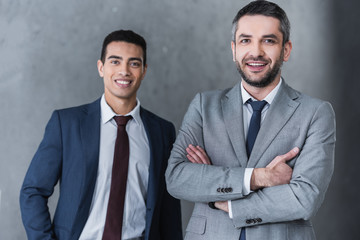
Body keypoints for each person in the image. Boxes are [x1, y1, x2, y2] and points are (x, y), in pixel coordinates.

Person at [165, 1, 335, 240]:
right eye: (246, 40)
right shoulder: (205, 105)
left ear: (286, 49)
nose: (256, 52)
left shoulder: (316, 113)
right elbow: (177, 178)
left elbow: (303, 199)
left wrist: (221, 199)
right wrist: (258, 178)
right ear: (233, 49)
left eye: (268, 40)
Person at [20, 30, 182, 240]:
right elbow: (33, 191)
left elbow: (168, 211)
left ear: (144, 71)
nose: (124, 71)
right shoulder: (67, 124)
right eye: (115, 62)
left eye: (133, 63)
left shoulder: (161, 132)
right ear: (101, 68)